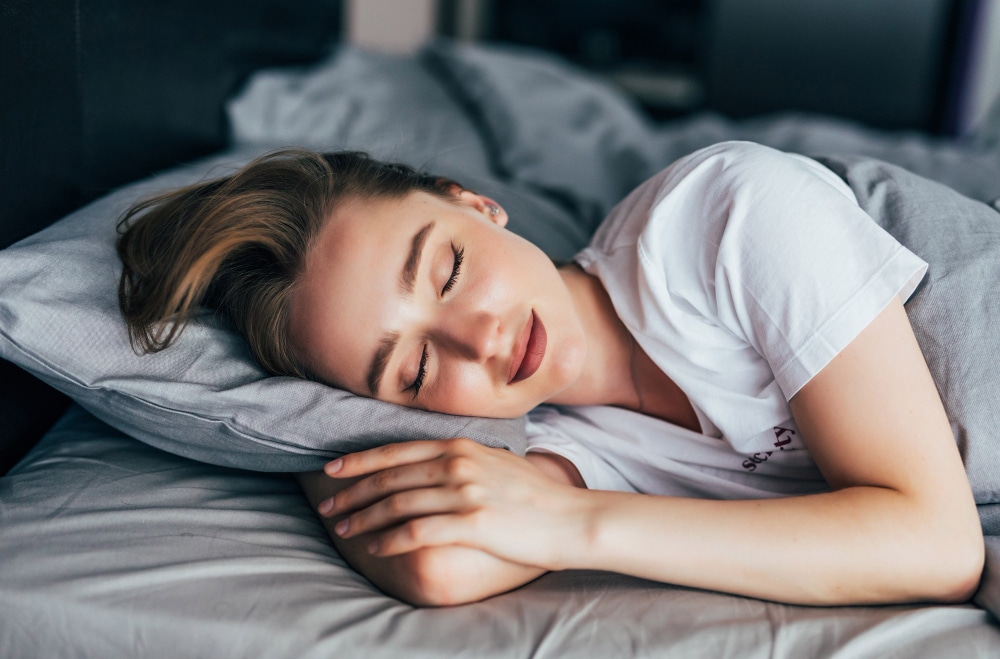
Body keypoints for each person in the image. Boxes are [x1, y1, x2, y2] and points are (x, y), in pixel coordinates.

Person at [116, 141, 984, 607]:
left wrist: (571, 523)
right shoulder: (554, 445)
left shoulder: (728, 211)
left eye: (448, 268)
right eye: (414, 367)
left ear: (474, 203)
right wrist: (304, 421)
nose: (478, 340)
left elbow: (936, 548)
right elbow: (441, 567)